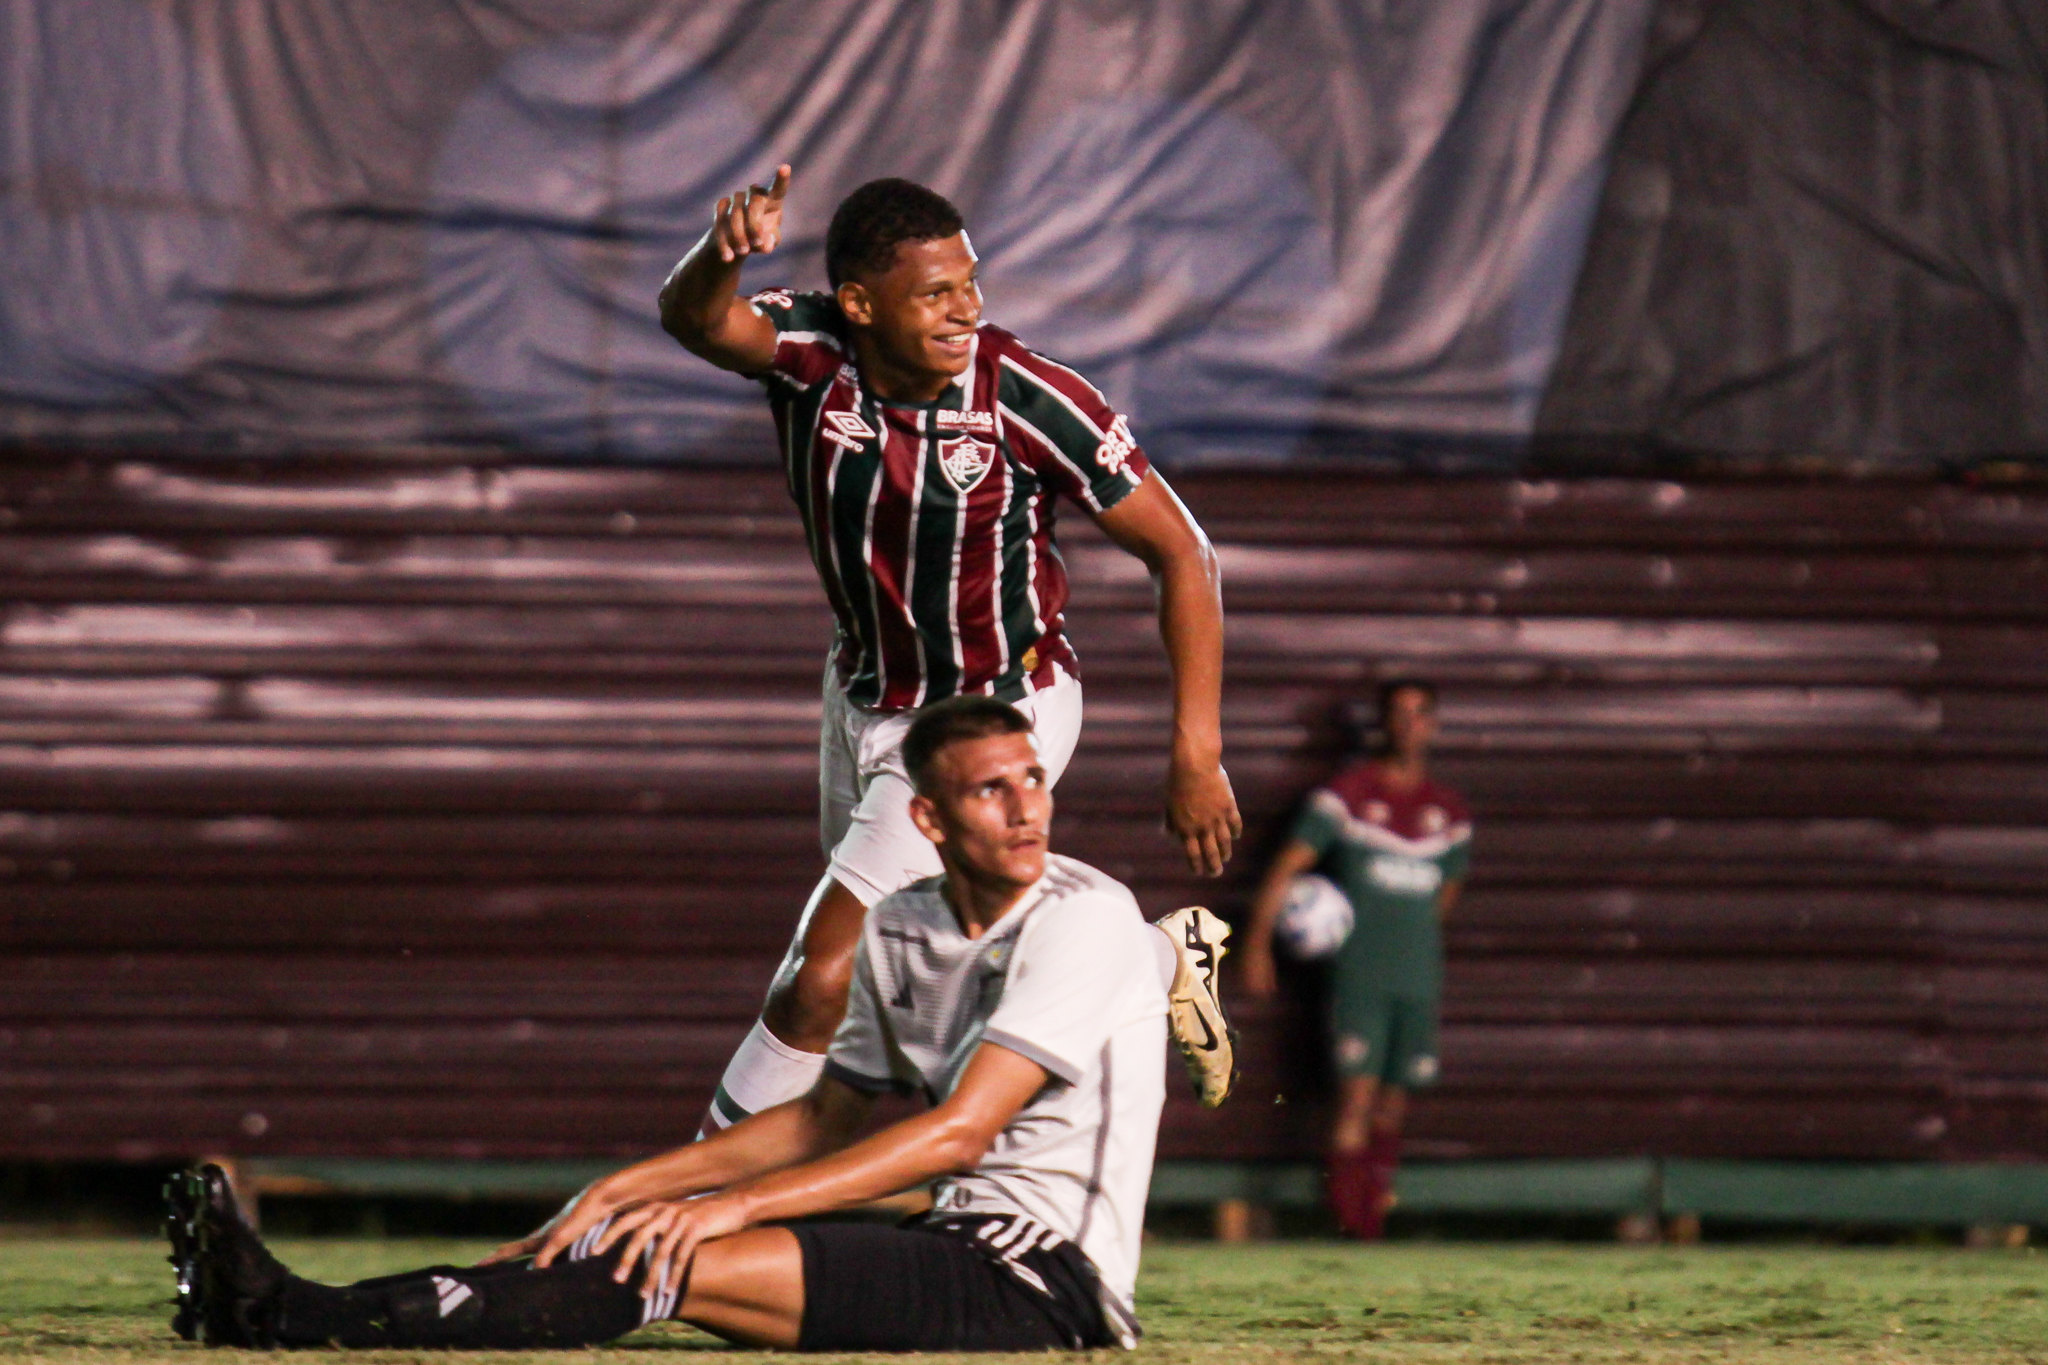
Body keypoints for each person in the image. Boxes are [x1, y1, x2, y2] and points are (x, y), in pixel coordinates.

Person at [165, 697, 1223, 1351]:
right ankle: (282, 1308)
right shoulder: (902, 919)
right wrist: (627, 1186)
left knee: (662, 1260)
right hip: (957, 1247)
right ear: (929, 821)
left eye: (1032, 779)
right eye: (992, 791)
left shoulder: (1080, 918)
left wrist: (723, 1209)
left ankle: (287, 1315)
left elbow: (956, 1135)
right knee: (635, 1237)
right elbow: (825, 1120)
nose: (1028, 807)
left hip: (1047, 1289)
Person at [655, 166, 1242, 1126]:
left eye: (971, 281)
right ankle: (1158, 955)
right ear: (859, 304)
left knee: (822, 976)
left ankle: (679, 1223)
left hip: (992, 706)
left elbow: (1185, 554)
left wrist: (1198, 747)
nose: (968, 308)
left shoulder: (1028, 395)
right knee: (912, 953)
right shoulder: (811, 347)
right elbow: (697, 322)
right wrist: (717, 257)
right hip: (861, 697)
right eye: (937, 292)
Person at [1238, 680, 1470, 1239]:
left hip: (1416, 977)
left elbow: (1443, 899)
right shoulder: (1344, 798)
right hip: (1361, 975)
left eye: (1421, 713)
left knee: (1394, 1107)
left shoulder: (1450, 813)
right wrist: (1256, 942)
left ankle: (1375, 1218)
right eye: (1399, 714)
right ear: (1384, 724)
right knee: (1354, 1103)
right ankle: (1351, 1228)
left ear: (1433, 725)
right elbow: (1285, 869)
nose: (1410, 724)